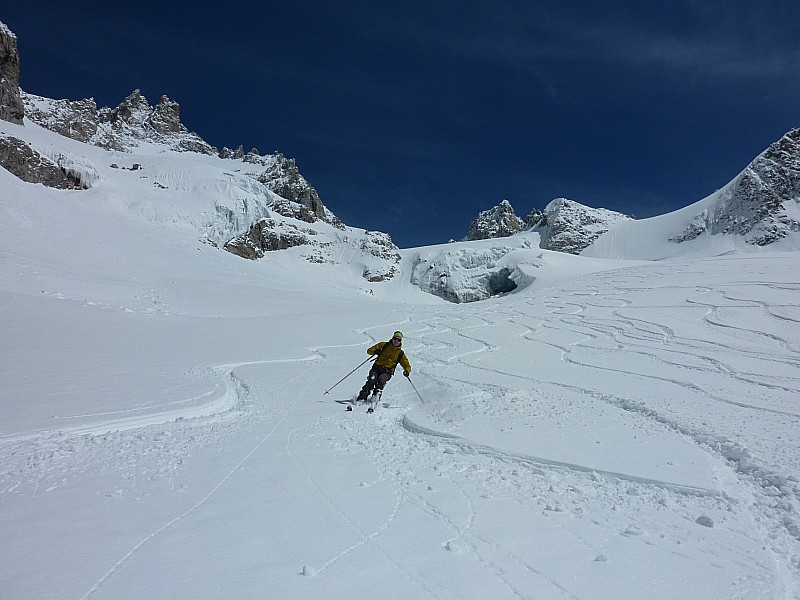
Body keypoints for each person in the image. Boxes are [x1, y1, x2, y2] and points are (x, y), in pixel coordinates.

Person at [355, 331, 412, 403]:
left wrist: (407, 371)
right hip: (376, 368)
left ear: (400, 341)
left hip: (387, 372)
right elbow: (369, 351)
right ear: (392, 338)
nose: (396, 341)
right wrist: (375, 351)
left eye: (399, 340)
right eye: (395, 338)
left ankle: (375, 398)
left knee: (381, 381)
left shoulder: (400, 353)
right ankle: (362, 398)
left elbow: (407, 365)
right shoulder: (384, 345)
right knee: (371, 380)